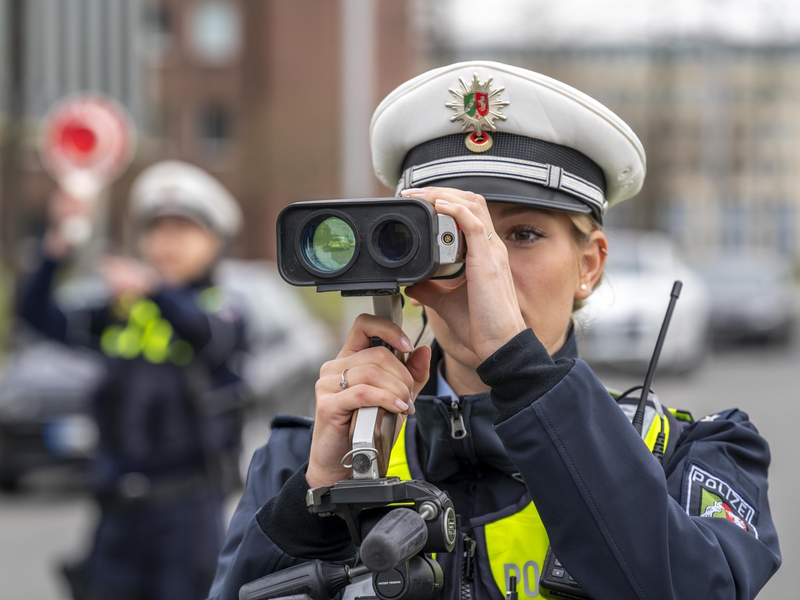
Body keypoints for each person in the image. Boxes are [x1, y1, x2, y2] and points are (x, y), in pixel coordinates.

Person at [208, 61, 781, 600]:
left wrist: (522, 369)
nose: (489, 266)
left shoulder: (687, 454)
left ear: (590, 265)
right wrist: (317, 504)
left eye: (523, 234)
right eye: (454, 237)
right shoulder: (301, 457)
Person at [19, 160, 248, 600]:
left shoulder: (223, 307)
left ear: (215, 241)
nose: (165, 244)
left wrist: (152, 289)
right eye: (156, 231)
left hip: (187, 514)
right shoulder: (123, 312)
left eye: (182, 231)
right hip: (117, 511)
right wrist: (59, 244)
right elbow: (36, 316)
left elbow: (205, 336)